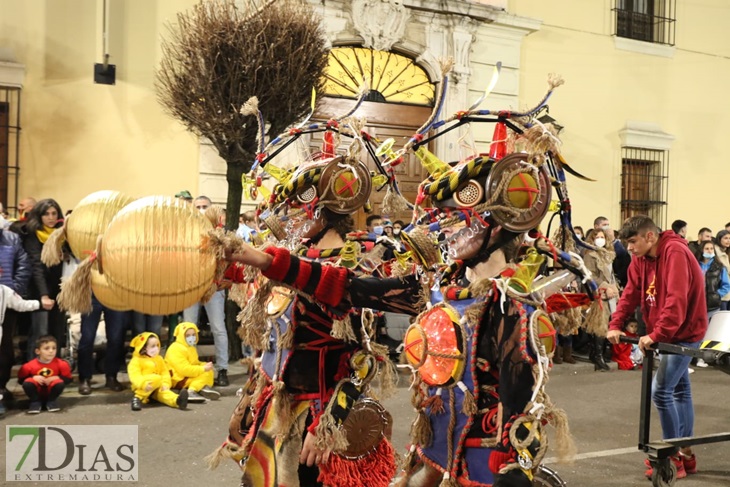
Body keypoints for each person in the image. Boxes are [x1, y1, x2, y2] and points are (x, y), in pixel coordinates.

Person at [607, 215, 708, 480]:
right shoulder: (641, 258)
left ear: (650, 236)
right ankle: (686, 453)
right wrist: (616, 323)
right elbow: (630, 292)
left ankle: (672, 456)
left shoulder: (675, 252)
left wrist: (657, 333)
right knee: (680, 390)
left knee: (661, 391)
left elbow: (676, 300)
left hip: (685, 333)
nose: (629, 248)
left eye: (632, 241)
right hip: (668, 333)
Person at [184, 195, 229, 387]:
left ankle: (222, 369)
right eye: (198, 207)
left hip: (214, 287)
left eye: (205, 207)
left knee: (218, 328)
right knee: (188, 328)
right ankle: (188, 369)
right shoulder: (186, 233)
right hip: (190, 288)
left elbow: (228, 261)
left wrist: (222, 281)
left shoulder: (220, 234)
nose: (201, 210)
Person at [19, 198, 66, 360]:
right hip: (39, 290)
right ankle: (33, 371)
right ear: (39, 216)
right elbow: (36, 266)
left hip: (58, 290)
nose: (51, 217)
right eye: (46, 214)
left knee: (57, 332)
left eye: (54, 213)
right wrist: (43, 295)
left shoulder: (61, 234)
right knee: (40, 332)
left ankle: (55, 371)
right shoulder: (32, 234)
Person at [0, 224, 32, 416]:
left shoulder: (12, 238)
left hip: (6, 300)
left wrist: (15, 290)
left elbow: (23, 265)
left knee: (5, 350)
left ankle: (2, 388)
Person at [76, 295, 131, 395]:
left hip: (116, 294)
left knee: (116, 339)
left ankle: (111, 376)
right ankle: (84, 378)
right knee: (87, 338)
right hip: (91, 295)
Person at [582, 228, 618, 371]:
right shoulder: (590, 255)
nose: (600, 239)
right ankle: (598, 356)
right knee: (599, 324)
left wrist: (615, 288)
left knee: (607, 324)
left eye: (602, 236)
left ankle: (599, 352)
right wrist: (605, 287)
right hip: (597, 294)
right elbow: (590, 276)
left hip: (609, 293)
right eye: (597, 236)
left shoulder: (607, 254)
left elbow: (611, 274)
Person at [127, 332, 188, 411]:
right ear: (143, 347)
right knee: (157, 378)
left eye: (157, 345)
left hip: (158, 385)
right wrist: (143, 384)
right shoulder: (136, 361)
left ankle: (177, 401)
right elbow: (135, 376)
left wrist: (165, 383)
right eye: (153, 346)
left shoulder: (159, 359)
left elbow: (164, 372)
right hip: (143, 387)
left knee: (164, 393)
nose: (156, 348)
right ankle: (137, 397)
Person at [164, 322, 220, 402]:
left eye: (193, 335)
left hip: (185, 375)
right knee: (204, 372)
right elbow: (184, 369)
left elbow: (194, 363)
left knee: (208, 370)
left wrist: (203, 365)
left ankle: (201, 388)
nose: (192, 337)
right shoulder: (175, 348)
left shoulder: (190, 347)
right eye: (188, 335)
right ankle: (192, 391)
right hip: (178, 379)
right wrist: (202, 368)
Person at [18, 335, 72, 413]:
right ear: (38, 351)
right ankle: (35, 402)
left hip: (51, 390)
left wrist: (57, 377)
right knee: (28, 382)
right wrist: (33, 377)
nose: (51, 351)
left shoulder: (62, 364)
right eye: (47, 348)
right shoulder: (28, 366)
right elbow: (21, 380)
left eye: (54, 348)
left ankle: (51, 401)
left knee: (59, 382)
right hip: (37, 390)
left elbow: (68, 379)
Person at [594, 216, 630, 289]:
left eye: (608, 225)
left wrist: (612, 239)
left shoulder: (613, 244)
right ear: (596, 226)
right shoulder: (591, 243)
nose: (607, 227)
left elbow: (621, 254)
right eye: (604, 225)